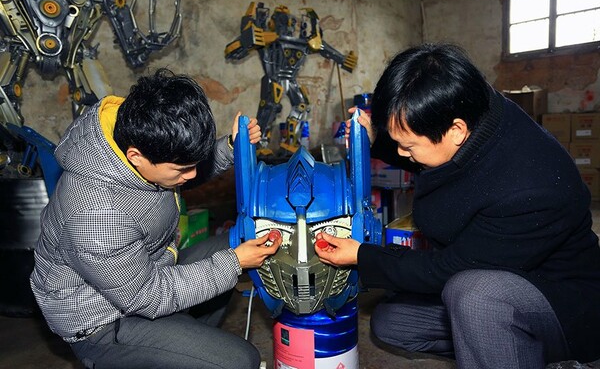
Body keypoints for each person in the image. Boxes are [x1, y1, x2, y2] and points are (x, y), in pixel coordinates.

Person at [315, 43, 600, 368]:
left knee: (474, 297)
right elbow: (430, 150)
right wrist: (375, 140)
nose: (402, 153)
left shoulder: (531, 188)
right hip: (501, 272)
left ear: (456, 130)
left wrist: (362, 255)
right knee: (392, 323)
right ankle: (503, 346)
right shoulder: (471, 105)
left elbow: (449, 268)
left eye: (407, 146)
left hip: (562, 304)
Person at [30, 68, 282, 369]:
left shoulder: (135, 132)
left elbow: (180, 167)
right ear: (136, 156)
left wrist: (230, 148)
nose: (190, 176)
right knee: (240, 360)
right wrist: (234, 263)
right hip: (102, 319)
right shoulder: (96, 218)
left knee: (232, 243)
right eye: (181, 170)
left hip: (147, 269)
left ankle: (187, 350)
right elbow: (148, 295)